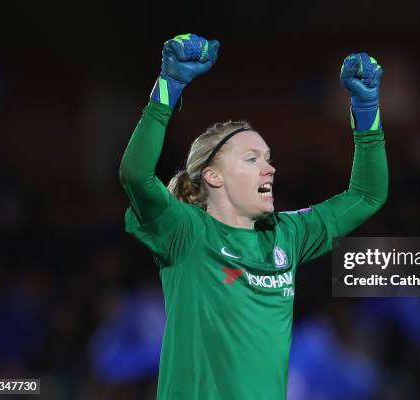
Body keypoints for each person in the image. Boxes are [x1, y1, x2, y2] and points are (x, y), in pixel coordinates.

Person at [119, 33, 388, 400]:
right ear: (214, 177)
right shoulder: (185, 232)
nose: (270, 169)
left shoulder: (288, 235)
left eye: (268, 158)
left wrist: (366, 109)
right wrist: (169, 86)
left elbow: (367, 195)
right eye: (252, 159)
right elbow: (135, 175)